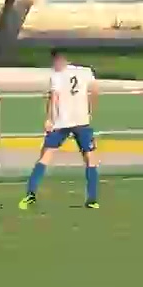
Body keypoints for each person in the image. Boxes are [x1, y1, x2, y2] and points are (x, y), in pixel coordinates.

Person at [20, 49, 100, 210]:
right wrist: (90, 111)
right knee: (89, 158)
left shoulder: (57, 76)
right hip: (81, 120)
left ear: (58, 60)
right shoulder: (85, 71)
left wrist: (49, 118)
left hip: (62, 121)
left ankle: (30, 195)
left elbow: (54, 97)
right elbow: (94, 90)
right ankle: (92, 199)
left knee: (46, 156)